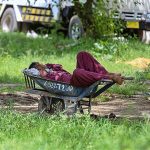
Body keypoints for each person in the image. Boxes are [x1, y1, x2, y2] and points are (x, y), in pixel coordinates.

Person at [28, 51, 124, 87]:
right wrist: (38, 70)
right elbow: (32, 72)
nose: (41, 64)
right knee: (77, 72)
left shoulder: (49, 68)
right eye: (38, 65)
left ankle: (108, 74)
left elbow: (59, 66)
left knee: (82, 54)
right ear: (37, 68)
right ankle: (109, 77)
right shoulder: (41, 73)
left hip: (74, 79)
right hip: (71, 83)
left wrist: (48, 66)